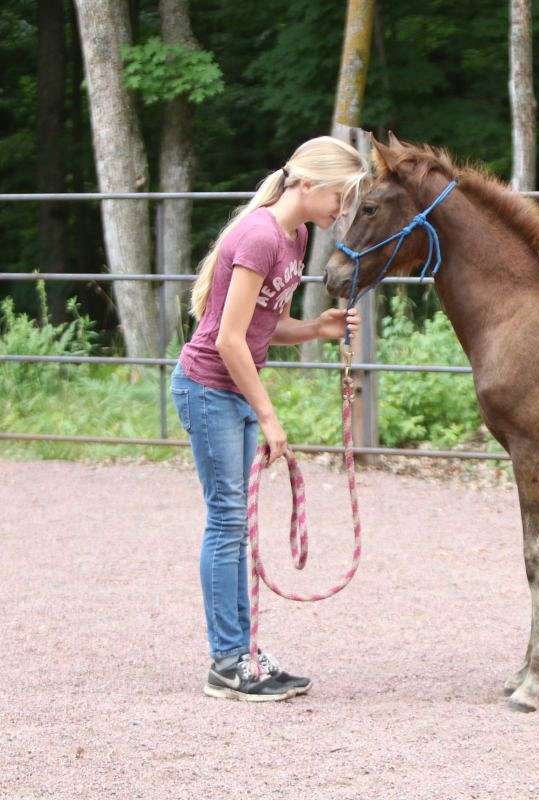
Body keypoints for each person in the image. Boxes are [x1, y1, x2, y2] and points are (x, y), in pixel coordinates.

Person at [171, 136, 368, 702]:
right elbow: (230, 340)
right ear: (309, 185)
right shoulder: (259, 235)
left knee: (235, 523)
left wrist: (315, 330)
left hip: (231, 391)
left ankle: (241, 653)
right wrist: (270, 415)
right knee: (228, 521)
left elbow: (262, 324)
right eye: (341, 196)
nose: (342, 211)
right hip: (210, 390)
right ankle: (228, 659)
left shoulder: (295, 237)